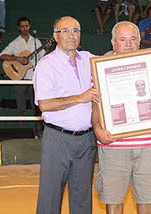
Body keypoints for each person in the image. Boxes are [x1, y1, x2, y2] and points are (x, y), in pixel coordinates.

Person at [93, 21, 151, 214]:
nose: (128, 44)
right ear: (113, 43)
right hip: (113, 144)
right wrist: (97, 130)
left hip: (148, 144)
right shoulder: (100, 67)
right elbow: (95, 104)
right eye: (122, 39)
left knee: (147, 198)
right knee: (113, 199)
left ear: (139, 41)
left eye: (133, 39)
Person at [33, 16, 99, 214]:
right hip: (57, 139)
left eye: (76, 31)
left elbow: (116, 65)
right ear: (55, 36)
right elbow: (44, 104)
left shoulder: (89, 58)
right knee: (50, 196)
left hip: (86, 139)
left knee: (82, 197)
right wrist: (81, 97)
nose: (71, 35)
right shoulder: (46, 65)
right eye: (65, 31)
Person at [0, 17, 45, 138]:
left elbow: (44, 58)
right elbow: (2, 55)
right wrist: (17, 59)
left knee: (36, 108)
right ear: (18, 28)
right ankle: (23, 132)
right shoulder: (15, 43)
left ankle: (39, 133)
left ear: (29, 27)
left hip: (34, 79)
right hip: (19, 78)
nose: (25, 28)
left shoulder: (36, 42)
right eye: (22, 26)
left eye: (27, 26)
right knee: (21, 108)